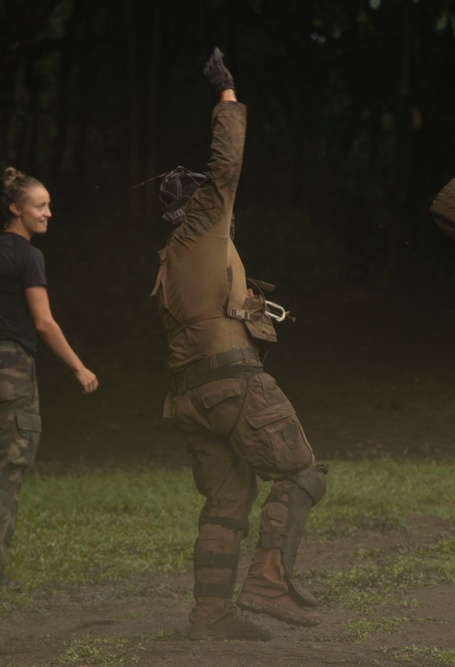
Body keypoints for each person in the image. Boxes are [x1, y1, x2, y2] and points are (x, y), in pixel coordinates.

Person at [151, 49, 328, 641]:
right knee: (302, 473)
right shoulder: (204, 225)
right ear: (195, 206)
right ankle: (270, 582)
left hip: (191, 396)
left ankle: (210, 615)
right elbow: (225, 166)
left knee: (228, 502)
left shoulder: (171, 260)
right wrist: (226, 93)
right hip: (233, 384)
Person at [0, 167, 99, 587]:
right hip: (8, 365)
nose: (49, 213)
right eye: (40, 205)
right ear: (16, 208)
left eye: (49, 205)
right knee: (8, 464)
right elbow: (44, 323)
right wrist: (79, 367)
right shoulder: (29, 256)